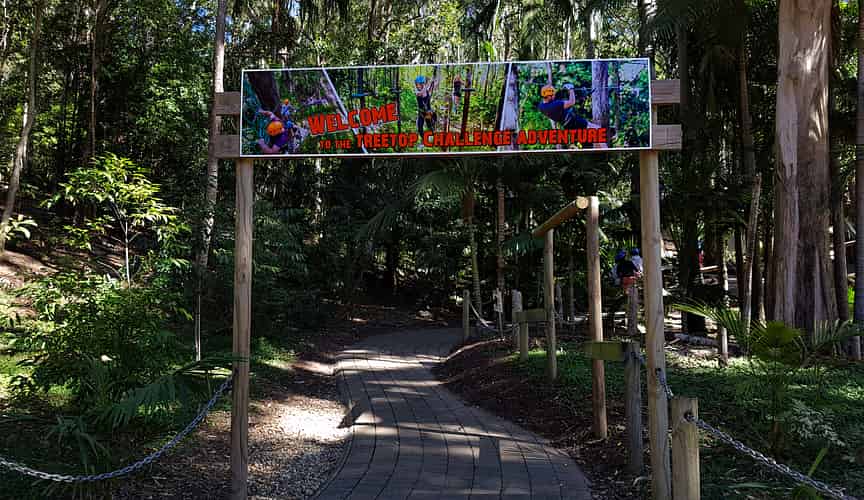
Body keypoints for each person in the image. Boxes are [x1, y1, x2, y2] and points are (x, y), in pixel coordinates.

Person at [414, 75, 437, 139]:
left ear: (422, 84)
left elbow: (427, 89)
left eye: (419, 84)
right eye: (417, 84)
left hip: (427, 112)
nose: (418, 86)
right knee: (420, 127)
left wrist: (432, 81)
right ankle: (424, 139)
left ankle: (434, 136)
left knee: (430, 125)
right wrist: (429, 82)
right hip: (421, 112)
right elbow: (421, 92)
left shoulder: (425, 90)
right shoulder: (418, 92)